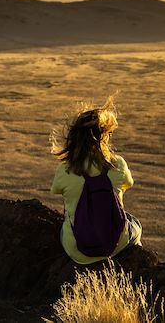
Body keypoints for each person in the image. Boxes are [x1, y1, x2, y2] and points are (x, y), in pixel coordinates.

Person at [50, 96, 142, 264]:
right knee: (134, 224)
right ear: (103, 136)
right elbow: (129, 183)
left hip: (77, 249)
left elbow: (56, 189)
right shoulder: (118, 164)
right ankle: (135, 263)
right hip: (116, 245)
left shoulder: (65, 168)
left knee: (64, 228)